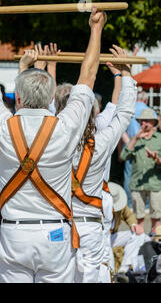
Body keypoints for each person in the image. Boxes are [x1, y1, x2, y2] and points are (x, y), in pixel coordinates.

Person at [0, 0, 106, 282]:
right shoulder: (66, 126)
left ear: (17, 98)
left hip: (13, 234)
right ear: (51, 98)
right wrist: (96, 30)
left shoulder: (2, 123)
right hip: (55, 235)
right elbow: (88, 75)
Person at [55, 45, 137, 283]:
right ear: (93, 114)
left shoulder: (50, 140)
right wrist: (126, 76)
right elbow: (124, 113)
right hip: (90, 225)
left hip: (60, 224)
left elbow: (42, 110)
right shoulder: (100, 142)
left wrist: (43, 69)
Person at [120, 108, 161, 235]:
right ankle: (140, 246)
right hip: (137, 184)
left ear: (153, 123)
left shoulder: (159, 139)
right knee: (139, 218)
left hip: (155, 184)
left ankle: (156, 245)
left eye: (146, 121)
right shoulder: (135, 139)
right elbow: (122, 156)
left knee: (156, 219)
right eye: (141, 121)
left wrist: (156, 158)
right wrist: (135, 138)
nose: (143, 124)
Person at [107, 182, 151, 282]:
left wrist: (134, 225)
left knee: (141, 236)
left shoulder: (120, 205)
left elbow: (129, 215)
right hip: (101, 239)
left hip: (112, 237)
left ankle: (123, 270)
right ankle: (138, 272)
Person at [123, 90, 154, 202]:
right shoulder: (149, 111)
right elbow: (153, 129)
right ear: (146, 100)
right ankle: (145, 203)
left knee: (129, 175)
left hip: (130, 145)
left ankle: (130, 202)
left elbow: (122, 130)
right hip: (145, 146)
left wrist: (127, 143)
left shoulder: (129, 109)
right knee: (145, 173)